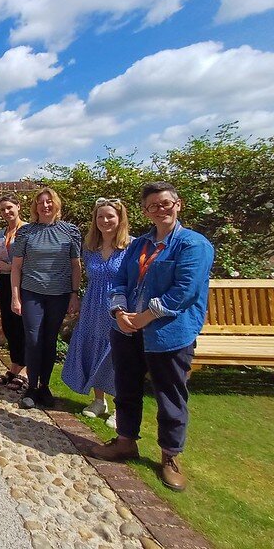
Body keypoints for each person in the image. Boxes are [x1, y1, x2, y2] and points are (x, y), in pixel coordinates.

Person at [91, 182, 214, 492]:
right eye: (153, 206)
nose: (160, 210)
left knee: (170, 395)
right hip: (128, 330)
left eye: (166, 204)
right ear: (146, 212)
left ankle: (170, 456)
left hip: (168, 334)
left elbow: (183, 292)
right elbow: (120, 280)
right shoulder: (139, 245)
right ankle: (125, 441)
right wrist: (120, 314)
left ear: (178, 204)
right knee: (126, 387)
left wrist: (144, 317)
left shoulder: (193, 245)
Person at [62, 198, 131, 429]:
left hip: (118, 309)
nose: (105, 221)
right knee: (93, 350)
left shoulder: (130, 247)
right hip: (93, 307)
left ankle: (121, 408)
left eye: (110, 216)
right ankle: (99, 400)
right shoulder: (91, 248)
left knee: (117, 358)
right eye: (100, 217)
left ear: (120, 219)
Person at [11, 187, 82, 410]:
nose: (45, 205)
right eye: (41, 202)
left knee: (49, 340)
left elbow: (75, 265)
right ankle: (31, 386)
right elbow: (16, 267)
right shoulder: (26, 233)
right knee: (33, 339)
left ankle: (45, 386)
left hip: (59, 295)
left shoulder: (70, 232)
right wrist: (15, 296)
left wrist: (74, 293)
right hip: (32, 292)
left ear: (56, 205)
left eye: (49, 202)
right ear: (35, 207)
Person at [0, 194, 29, 391]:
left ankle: (26, 369)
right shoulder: (0, 233)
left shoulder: (28, 231)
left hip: (23, 283)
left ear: (18, 206)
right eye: (2, 209)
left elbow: (31, 261)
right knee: (9, 325)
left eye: (9, 208)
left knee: (22, 325)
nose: (6, 212)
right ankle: (15, 365)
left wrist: (8, 267)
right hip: (3, 283)